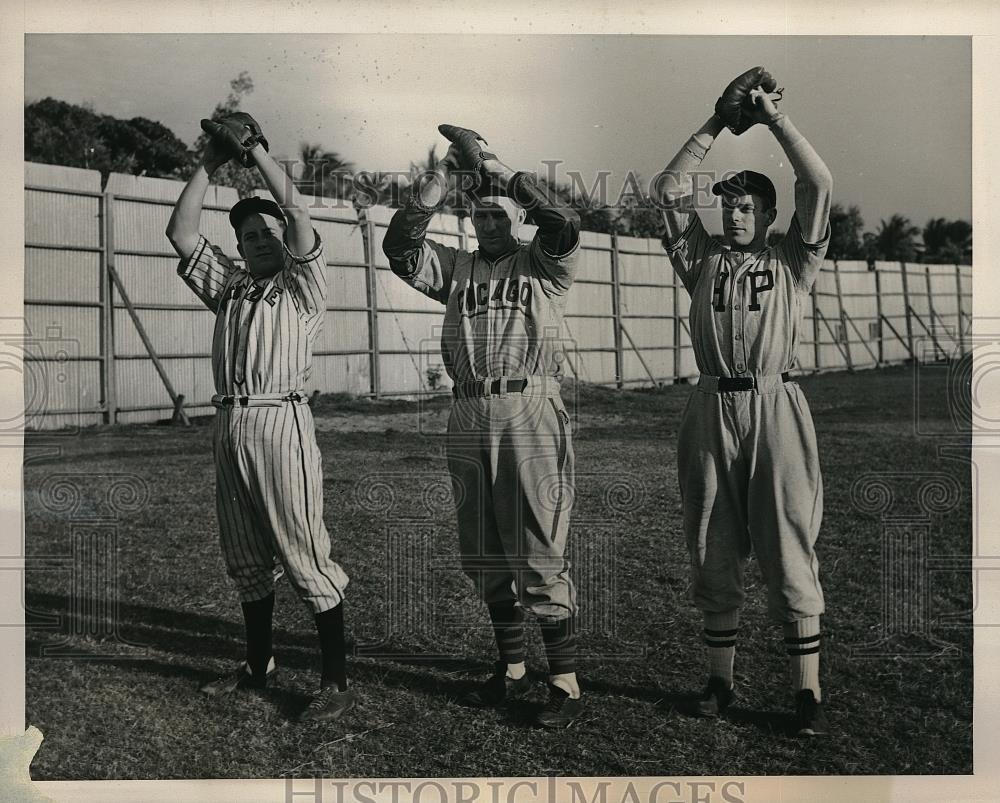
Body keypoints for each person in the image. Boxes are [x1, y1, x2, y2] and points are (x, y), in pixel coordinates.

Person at [382, 125, 584, 728]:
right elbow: (399, 246)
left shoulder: (544, 263)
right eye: (482, 213)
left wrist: (495, 169)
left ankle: (566, 683)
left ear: (514, 217)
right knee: (484, 550)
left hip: (527, 402)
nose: (491, 221)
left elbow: (563, 222)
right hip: (469, 406)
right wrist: (445, 174)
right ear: (471, 219)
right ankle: (511, 668)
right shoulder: (457, 268)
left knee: (537, 544)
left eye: (500, 212)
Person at [655, 69, 833, 736]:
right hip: (709, 407)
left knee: (788, 540)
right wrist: (713, 121)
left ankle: (806, 690)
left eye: (748, 205)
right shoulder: (697, 259)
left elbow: (818, 185)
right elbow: (668, 192)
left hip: (775, 404)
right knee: (712, 541)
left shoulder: (792, 260)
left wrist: (772, 120)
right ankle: (719, 681)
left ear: (766, 215)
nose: (735, 212)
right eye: (728, 203)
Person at [165, 114, 354, 724]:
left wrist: (256, 154)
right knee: (245, 557)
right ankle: (259, 665)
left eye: (266, 231)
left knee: (302, 550)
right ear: (240, 247)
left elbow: (297, 212)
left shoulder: (301, 288)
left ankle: (335, 681)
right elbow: (181, 231)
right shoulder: (232, 288)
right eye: (248, 236)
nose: (259, 239)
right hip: (230, 424)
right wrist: (212, 160)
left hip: (282, 421)